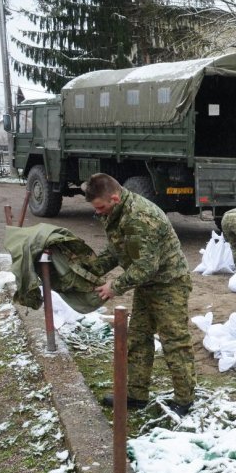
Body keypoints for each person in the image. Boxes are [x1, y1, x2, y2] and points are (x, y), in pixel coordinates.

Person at [83, 173, 196, 416]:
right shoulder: (115, 212)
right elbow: (116, 251)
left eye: (101, 207)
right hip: (147, 284)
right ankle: (135, 395)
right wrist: (87, 270)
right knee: (138, 338)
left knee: (174, 341)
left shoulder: (140, 217)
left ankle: (185, 399)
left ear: (114, 198)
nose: (99, 213)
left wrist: (114, 287)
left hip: (169, 284)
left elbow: (146, 266)